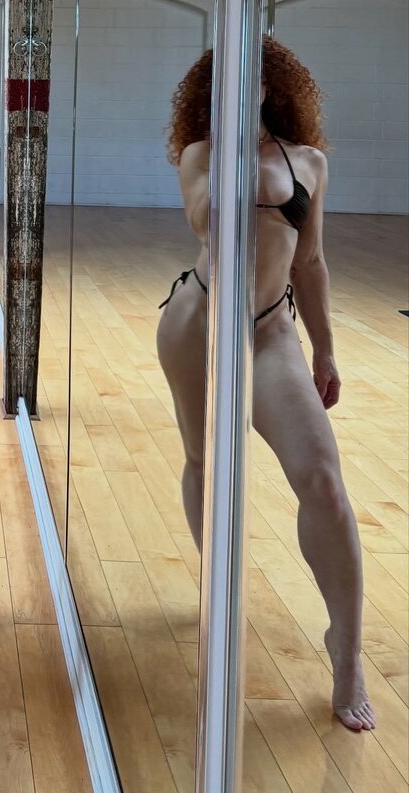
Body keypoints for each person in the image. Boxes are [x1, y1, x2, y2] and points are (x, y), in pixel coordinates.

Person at [156, 36, 375, 732]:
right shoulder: (201, 157)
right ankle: (218, 588)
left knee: (324, 483)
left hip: (272, 332)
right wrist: (231, 141)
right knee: (203, 462)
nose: (240, 87)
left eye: (250, 78)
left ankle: (346, 648)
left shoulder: (309, 162)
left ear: (270, 87)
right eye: (226, 79)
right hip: (197, 325)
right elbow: (205, 220)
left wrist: (326, 349)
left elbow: (310, 262)